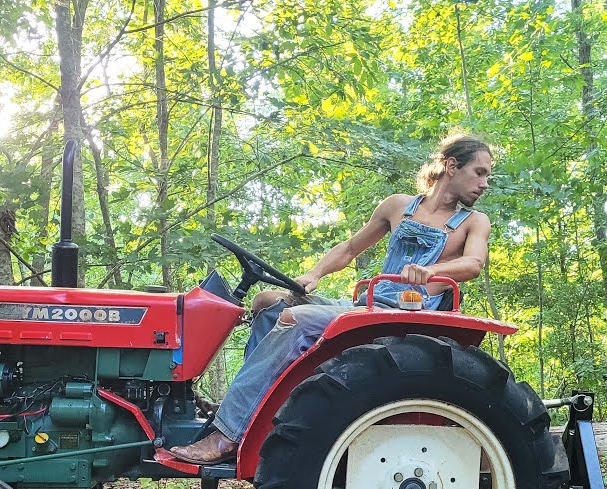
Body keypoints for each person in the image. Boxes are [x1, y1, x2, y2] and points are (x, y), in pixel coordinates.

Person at [169, 132, 495, 464]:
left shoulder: (473, 222)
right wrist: (315, 274)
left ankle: (226, 434)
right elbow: (350, 249)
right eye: (479, 172)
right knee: (267, 302)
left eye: (486, 175)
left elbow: (473, 263)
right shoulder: (399, 206)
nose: (484, 184)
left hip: (405, 313)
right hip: (370, 304)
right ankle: (253, 415)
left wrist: (432, 271)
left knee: (295, 320)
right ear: (451, 166)